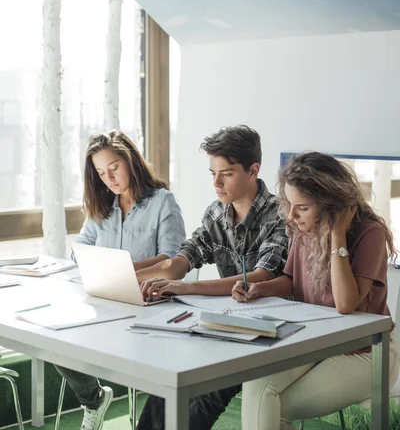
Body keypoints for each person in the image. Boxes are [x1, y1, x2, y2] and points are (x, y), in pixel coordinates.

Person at [135, 125, 289, 430]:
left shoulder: (280, 214)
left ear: (253, 170)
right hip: (226, 324)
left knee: (203, 394)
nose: (217, 183)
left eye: (227, 173)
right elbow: (182, 260)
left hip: (270, 328)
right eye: (212, 173)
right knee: (168, 381)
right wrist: (135, 277)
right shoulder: (216, 214)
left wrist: (185, 285)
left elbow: (258, 277)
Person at [232, 151, 400, 430]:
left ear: (330, 205)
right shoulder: (303, 228)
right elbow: (293, 281)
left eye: (303, 207)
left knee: (271, 404)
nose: (292, 215)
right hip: (315, 342)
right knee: (257, 386)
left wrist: (337, 235)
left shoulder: (370, 234)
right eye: (290, 204)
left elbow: (346, 303)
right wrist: (259, 288)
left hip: (367, 352)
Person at [55, 130, 186, 430]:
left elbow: (173, 258)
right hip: (103, 300)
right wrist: (91, 261)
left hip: (148, 305)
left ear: (130, 160)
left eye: (113, 167)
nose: (109, 178)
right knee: (56, 339)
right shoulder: (103, 205)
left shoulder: (163, 202)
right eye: (101, 173)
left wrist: (122, 268)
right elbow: (81, 246)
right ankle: (94, 398)